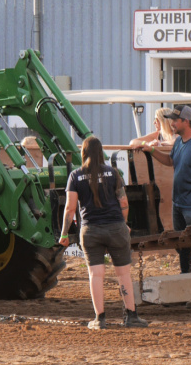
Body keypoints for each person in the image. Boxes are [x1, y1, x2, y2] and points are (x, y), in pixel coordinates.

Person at [61, 136, 148, 329]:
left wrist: (64, 234)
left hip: (90, 230)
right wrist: (123, 224)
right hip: (115, 227)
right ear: (101, 153)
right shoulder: (113, 173)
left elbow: (69, 208)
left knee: (96, 274)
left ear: (83, 153)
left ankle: (99, 319)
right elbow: (123, 203)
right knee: (123, 274)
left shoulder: (75, 176)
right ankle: (131, 316)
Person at [142, 105, 191, 276]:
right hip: (179, 204)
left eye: (175, 120)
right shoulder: (179, 142)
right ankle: (186, 281)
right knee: (182, 245)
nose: (172, 124)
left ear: (186, 121)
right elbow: (171, 162)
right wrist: (152, 150)